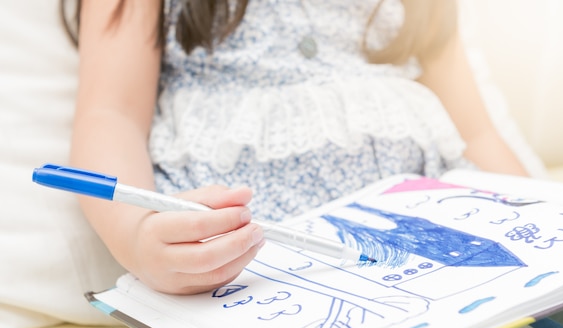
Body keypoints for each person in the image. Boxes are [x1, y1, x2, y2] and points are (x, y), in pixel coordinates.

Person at [63, 0, 528, 296]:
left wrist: (553, 219)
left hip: (446, 273)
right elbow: (110, 116)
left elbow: (478, 136)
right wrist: (135, 237)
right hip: (252, 290)